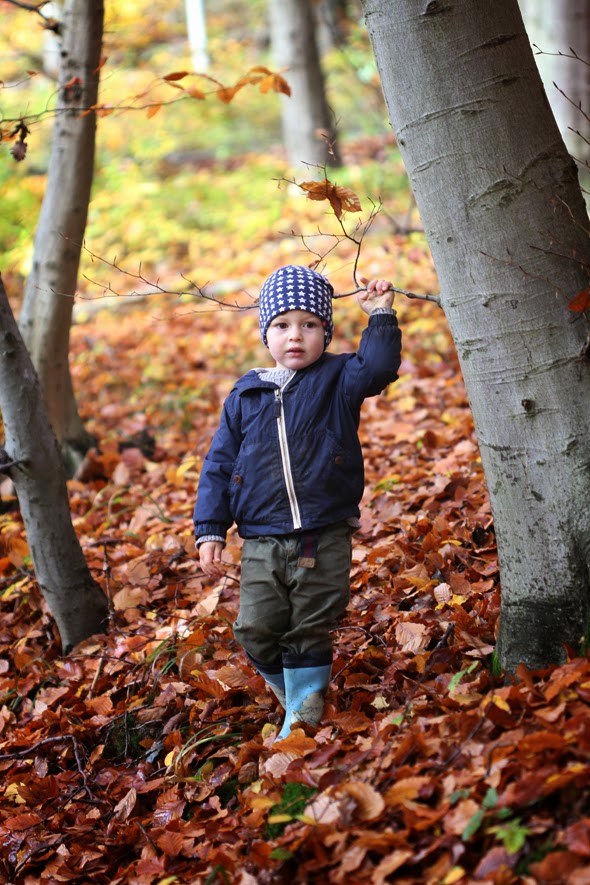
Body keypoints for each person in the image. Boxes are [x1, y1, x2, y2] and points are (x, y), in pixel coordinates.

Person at [193, 264, 402, 739]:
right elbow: (219, 464)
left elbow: (378, 369)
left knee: (309, 624)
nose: (295, 336)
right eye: (282, 325)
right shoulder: (246, 394)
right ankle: (290, 695)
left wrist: (380, 316)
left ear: (325, 332)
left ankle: (305, 714)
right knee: (255, 627)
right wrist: (210, 529)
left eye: (309, 324)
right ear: (265, 332)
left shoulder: (338, 377)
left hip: (321, 532)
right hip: (262, 536)